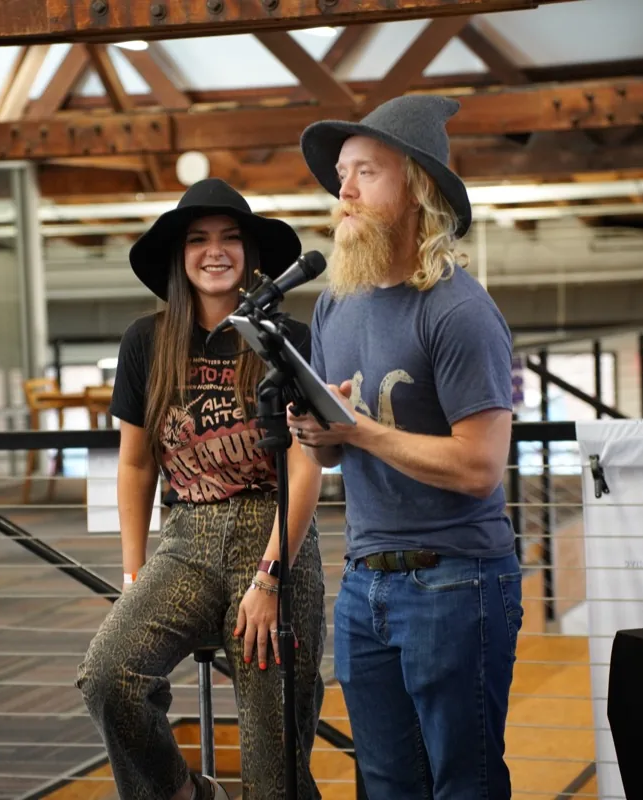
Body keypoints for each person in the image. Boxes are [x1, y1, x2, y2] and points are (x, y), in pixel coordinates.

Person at [286, 95, 523, 799]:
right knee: (386, 786)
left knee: (464, 785)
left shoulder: (458, 311)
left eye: (366, 173)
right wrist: (319, 434)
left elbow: (480, 466)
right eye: (342, 175)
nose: (345, 192)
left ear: (416, 188)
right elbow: (336, 454)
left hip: (455, 581)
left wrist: (359, 430)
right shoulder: (334, 305)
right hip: (365, 583)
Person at [77, 178, 328, 800]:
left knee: (274, 769)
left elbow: (306, 467)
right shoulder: (146, 341)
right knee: (109, 676)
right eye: (198, 240)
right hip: (186, 536)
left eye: (229, 238)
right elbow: (135, 464)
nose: (214, 251)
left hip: (273, 535)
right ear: (179, 256)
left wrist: (270, 577)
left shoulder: (287, 340)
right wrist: (133, 573)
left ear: (250, 253)